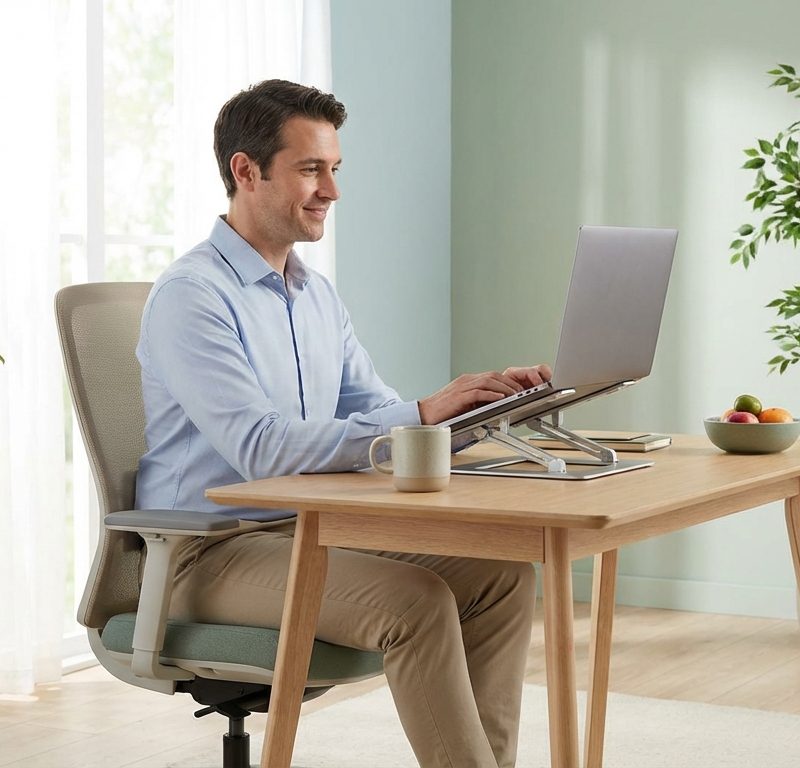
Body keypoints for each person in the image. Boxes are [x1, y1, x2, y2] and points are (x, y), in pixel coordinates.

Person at [135, 79, 551, 768]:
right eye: (310, 169)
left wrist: (475, 413)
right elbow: (261, 448)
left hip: (304, 534)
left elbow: (374, 416)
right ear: (246, 171)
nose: (331, 189)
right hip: (204, 553)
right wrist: (420, 415)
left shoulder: (315, 295)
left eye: (334, 169)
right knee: (413, 602)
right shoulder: (192, 297)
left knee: (500, 574)